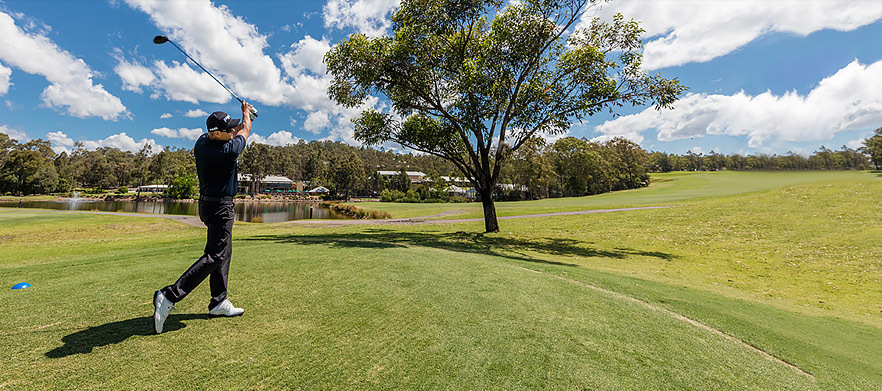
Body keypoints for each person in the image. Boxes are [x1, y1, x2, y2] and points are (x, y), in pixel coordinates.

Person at [153, 101, 254, 334]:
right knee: (215, 255)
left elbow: (238, 129)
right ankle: (169, 295)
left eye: (231, 128)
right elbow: (245, 130)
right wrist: (246, 114)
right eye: (227, 129)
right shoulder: (228, 152)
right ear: (217, 133)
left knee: (224, 252)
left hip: (207, 205)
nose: (232, 131)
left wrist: (242, 118)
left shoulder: (201, 142)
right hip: (220, 208)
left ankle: (218, 302)